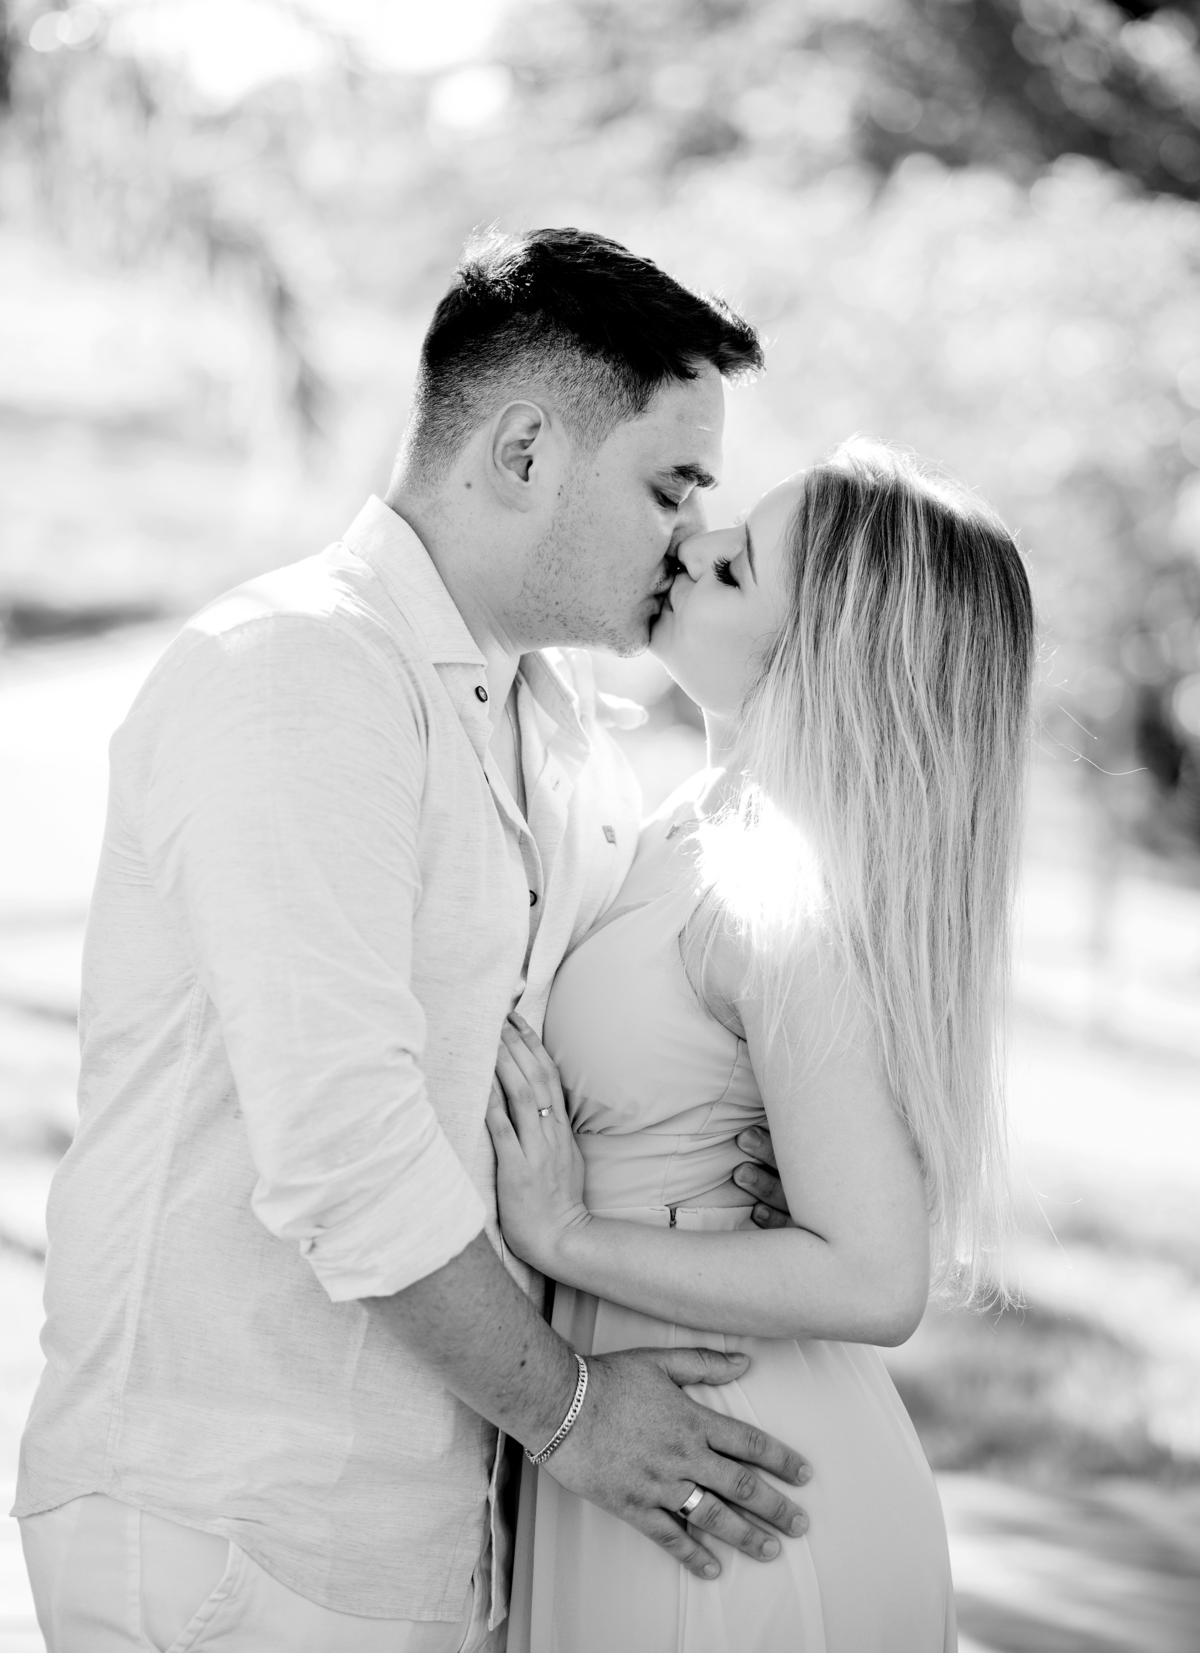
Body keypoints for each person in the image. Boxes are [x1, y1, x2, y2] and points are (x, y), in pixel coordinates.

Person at [14, 228, 812, 1653]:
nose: (692, 536)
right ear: (525, 452)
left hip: (433, 1541)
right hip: (232, 1529)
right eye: (669, 485)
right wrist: (574, 1414)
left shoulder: (561, 736)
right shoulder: (298, 674)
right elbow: (345, 1138)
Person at [489, 442, 1036, 1652]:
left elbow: (875, 1277)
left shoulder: (778, 894)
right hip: (662, 1436)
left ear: (823, 660)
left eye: (736, 569)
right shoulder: (695, 822)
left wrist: (566, 1235)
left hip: (739, 1492)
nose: (691, 546)